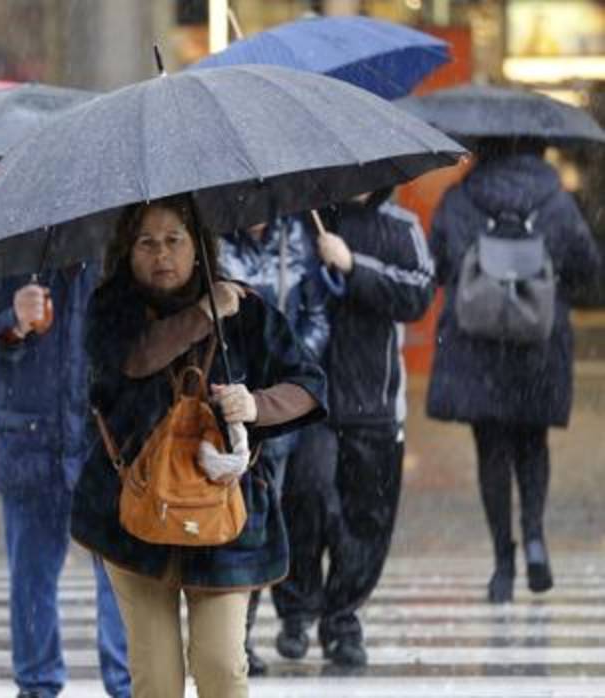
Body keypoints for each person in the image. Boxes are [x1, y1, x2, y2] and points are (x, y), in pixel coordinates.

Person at [72, 196, 326, 698]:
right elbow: (135, 358)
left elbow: (309, 385)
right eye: (147, 242)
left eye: (174, 241)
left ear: (198, 247)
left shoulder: (245, 307)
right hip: (134, 517)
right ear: (128, 249)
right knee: (157, 680)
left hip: (224, 518)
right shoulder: (110, 308)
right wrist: (202, 316)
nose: (161, 255)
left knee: (222, 668)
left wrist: (254, 406)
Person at [426, 138, 601, 603]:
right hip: (538, 345)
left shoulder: (461, 197)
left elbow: (437, 265)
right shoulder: (556, 199)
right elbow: (587, 267)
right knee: (532, 443)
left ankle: (503, 562)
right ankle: (537, 536)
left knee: (492, 451)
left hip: (477, 346)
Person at [0, 263, 132, 698]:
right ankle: (37, 686)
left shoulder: (117, 246)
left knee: (123, 582)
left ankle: (127, 686)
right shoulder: (4, 255)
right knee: (31, 579)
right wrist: (11, 321)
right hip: (31, 444)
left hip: (105, 444)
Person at [272, 190, 435, 668]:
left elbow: (418, 295)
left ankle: (342, 620)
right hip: (310, 399)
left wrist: (354, 265)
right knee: (305, 499)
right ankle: (296, 612)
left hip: (376, 401)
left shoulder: (401, 226)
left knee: (367, 519)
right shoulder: (301, 221)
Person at [218, 215, 331, 676]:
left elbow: (318, 317)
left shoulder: (298, 236)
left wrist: (288, 365)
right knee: (236, 523)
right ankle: (232, 636)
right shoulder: (213, 241)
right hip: (226, 404)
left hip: (278, 407)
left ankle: (267, 624)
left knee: (272, 517)